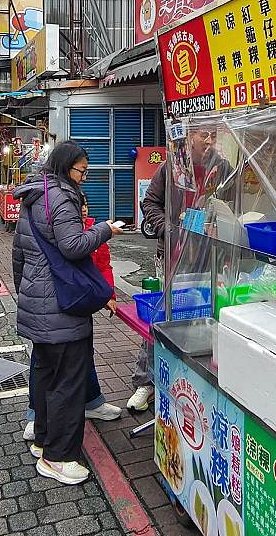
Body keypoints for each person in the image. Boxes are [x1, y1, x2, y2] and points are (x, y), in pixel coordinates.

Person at [12, 141, 124, 485]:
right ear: (66, 167)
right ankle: (58, 457)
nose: (85, 178)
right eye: (82, 171)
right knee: (68, 384)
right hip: (61, 307)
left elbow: (18, 254)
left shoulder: (36, 193)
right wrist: (106, 229)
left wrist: (27, 294)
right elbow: (73, 246)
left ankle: (44, 438)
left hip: (39, 302)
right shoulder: (62, 197)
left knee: (47, 376)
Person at [131, 129, 232, 411]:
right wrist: (168, 230)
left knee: (205, 315)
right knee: (164, 316)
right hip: (174, 256)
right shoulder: (171, 166)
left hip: (211, 258)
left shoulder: (223, 168)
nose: (210, 141)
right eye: (204, 135)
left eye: (213, 135)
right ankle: (146, 382)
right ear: (189, 138)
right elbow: (149, 202)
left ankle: (190, 381)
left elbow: (236, 203)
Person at [23, 193, 122, 444]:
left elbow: (103, 267)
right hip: (51, 305)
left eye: (84, 207)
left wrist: (108, 293)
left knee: (82, 354)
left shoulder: (92, 232)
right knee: (45, 362)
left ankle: (92, 401)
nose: (81, 212)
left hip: (79, 304)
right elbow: (21, 261)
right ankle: (36, 417)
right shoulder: (55, 229)